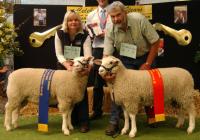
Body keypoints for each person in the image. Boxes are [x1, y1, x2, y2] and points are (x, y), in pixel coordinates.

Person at [103, 1, 160, 136]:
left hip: (145, 56)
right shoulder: (110, 27)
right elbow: (107, 54)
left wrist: (147, 64)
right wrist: (106, 71)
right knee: (118, 89)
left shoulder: (139, 20)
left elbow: (155, 41)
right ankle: (114, 121)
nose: (116, 19)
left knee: (149, 86)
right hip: (125, 59)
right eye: (113, 16)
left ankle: (152, 117)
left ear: (125, 13)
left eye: (118, 15)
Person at [54, 10, 92, 133]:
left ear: (79, 21)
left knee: (81, 93)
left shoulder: (85, 35)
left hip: (80, 68)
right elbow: (59, 54)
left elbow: (88, 55)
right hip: (64, 67)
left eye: (76, 20)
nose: (73, 22)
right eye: (70, 20)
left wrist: (87, 67)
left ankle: (84, 122)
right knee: (65, 95)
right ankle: (70, 120)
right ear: (66, 22)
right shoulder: (59, 34)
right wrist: (67, 65)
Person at [86, 0, 111, 120]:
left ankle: (119, 111)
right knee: (97, 82)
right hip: (97, 49)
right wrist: (93, 33)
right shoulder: (91, 15)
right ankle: (97, 110)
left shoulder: (115, 11)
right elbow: (89, 32)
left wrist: (108, 33)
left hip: (113, 48)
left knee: (116, 80)